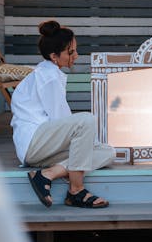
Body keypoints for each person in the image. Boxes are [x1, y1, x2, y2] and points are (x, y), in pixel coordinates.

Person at [10, 20, 115, 208]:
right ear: (54, 56)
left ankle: (49, 174)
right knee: (87, 120)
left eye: (75, 50)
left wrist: (89, 143)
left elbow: (64, 124)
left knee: (107, 152)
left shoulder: (51, 73)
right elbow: (62, 120)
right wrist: (87, 138)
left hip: (45, 145)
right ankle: (76, 190)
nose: (76, 55)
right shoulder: (48, 77)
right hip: (34, 143)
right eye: (70, 52)